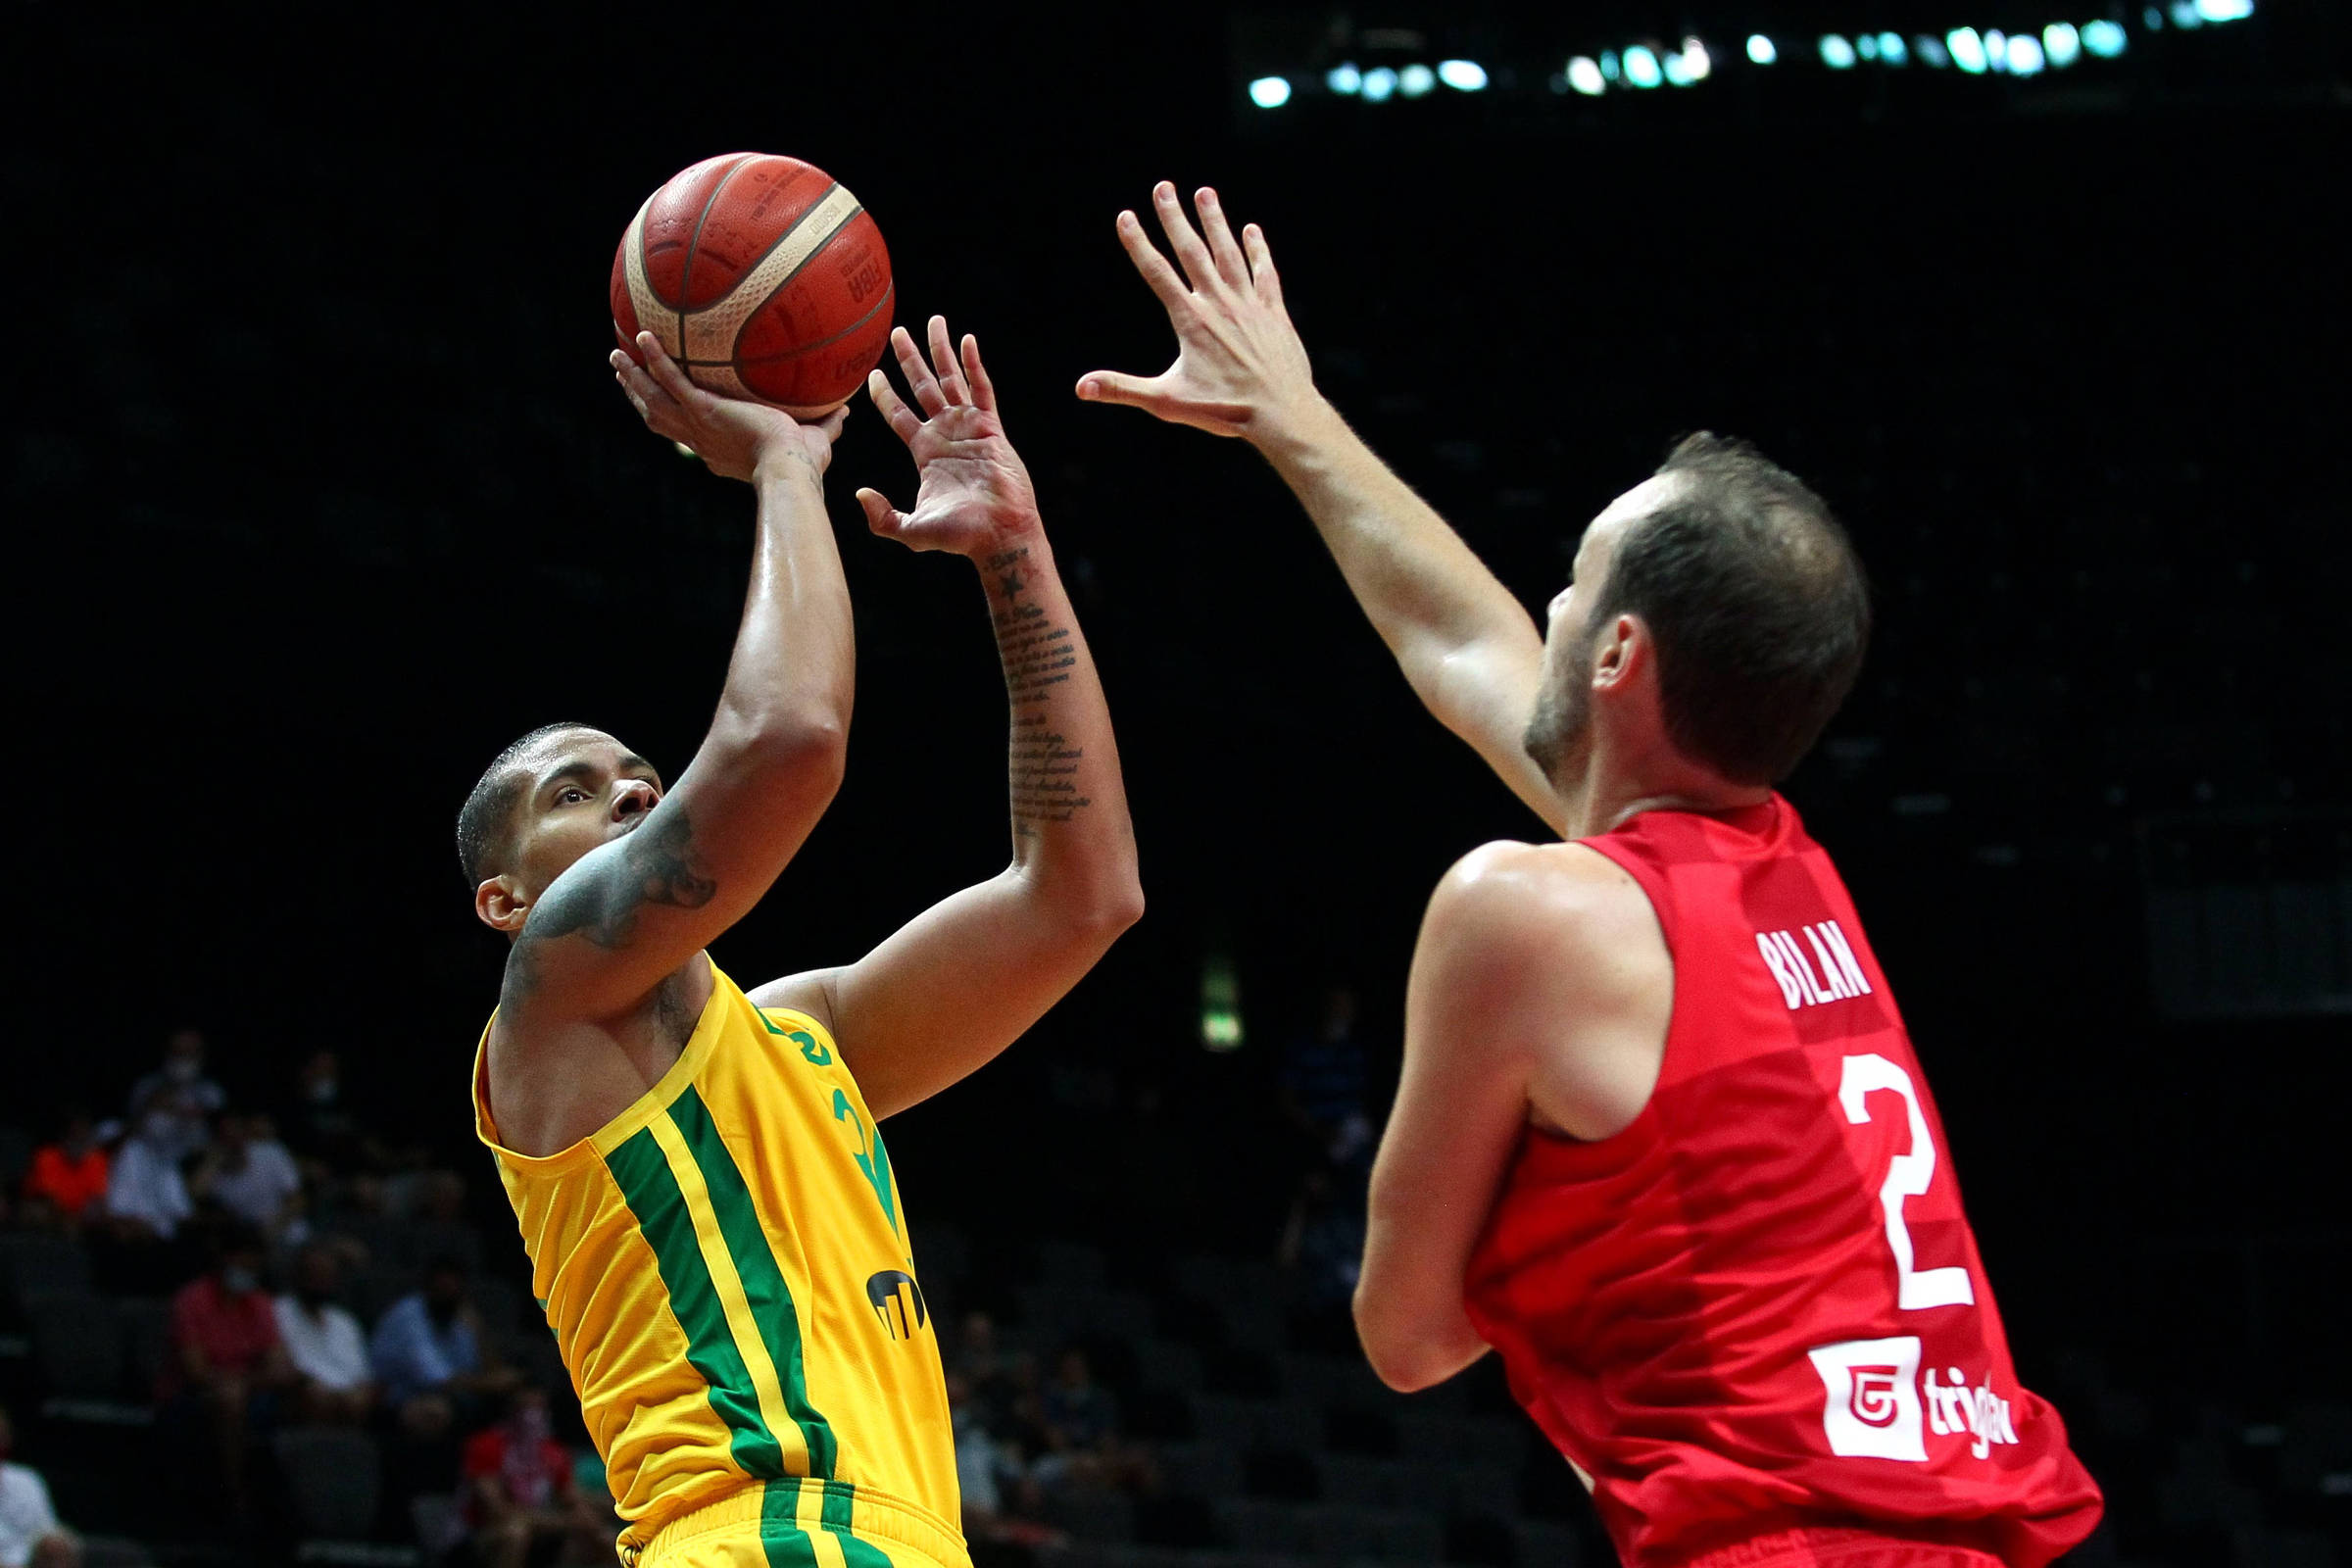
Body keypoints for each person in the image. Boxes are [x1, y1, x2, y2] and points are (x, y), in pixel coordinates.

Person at [1082, 184, 2103, 1568]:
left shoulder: (1528, 909)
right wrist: (1289, 415)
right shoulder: (1784, 870)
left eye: (1573, 579)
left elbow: (1408, 1330)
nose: (1546, 606)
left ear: (1618, 658)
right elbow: (1465, 652)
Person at [461, 319, 1141, 1568]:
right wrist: (785, 464)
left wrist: (1015, 552)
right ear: (507, 901)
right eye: (571, 793)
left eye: (637, 774)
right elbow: (788, 738)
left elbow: (1080, 896)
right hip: (752, 1533)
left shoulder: (808, 1035)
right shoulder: (551, 998)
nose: (627, 794)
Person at [163, 1227, 294, 1527]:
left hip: (249, 1390)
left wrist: (245, 1381)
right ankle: (234, 1494)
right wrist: (245, 1381)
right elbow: (196, 1373)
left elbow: (279, 1366)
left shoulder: (259, 1303)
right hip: (188, 1398)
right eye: (243, 1265)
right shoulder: (192, 1300)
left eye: (254, 1267)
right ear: (224, 1261)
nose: (248, 1272)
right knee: (228, 1398)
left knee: (307, 1394)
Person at [462, 1387, 609, 1568]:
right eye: (526, 1409)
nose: (534, 1416)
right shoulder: (486, 1446)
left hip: (544, 1528)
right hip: (484, 1532)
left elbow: (574, 1501)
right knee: (515, 1533)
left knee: (598, 1536)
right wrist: (563, 1522)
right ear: (510, 1413)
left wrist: (589, 1521)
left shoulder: (553, 1451)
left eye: (540, 1409)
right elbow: (498, 1512)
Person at [369, 1257, 514, 1437]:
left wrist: (479, 1333)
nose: (448, 1293)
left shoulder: (457, 1318)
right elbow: (435, 1378)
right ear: (429, 1288)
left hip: (442, 1396)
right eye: (442, 1288)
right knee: (437, 1412)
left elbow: (481, 1369)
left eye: (454, 1289)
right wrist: (490, 1384)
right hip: (394, 1399)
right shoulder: (409, 1315)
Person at [273, 1244, 376, 1425]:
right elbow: (280, 1364)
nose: (320, 1281)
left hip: (348, 1398)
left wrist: (359, 1394)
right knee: (318, 1398)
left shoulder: (345, 1322)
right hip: (303, 1393)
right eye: (314, 1274)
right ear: (299, 1275)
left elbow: (364, 1376)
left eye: (327, 1275)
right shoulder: (278, 1312)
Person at [124, 1029, 225, 1164]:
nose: (182, 1058)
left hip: (195, 1165)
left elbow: (222, 1135)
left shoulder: (211, 1092)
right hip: (149, 1162)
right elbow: (129, 1130)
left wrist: (184, 1111)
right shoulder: (147, 1087)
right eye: (177, 1052)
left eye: (189, 1053)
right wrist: (151, 1105)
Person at [0, 1402, 81, 1568]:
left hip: (29, 1562)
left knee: (57, 1546)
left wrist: (57, 1544)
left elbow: (48, 1533)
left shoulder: (27, 1480)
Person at [200, 1112, 304, 1239]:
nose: (234, 1139)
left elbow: (297, 1199)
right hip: (248, 1242)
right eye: (227, 1136)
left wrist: (271, 1231)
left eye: (237, 1131)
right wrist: (212, 1161)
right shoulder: (214, 1177)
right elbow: (196, 1196)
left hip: (290, 1231)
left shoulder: (270, 1153)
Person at [20, 1112, 108, 1228]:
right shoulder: (46, 1157)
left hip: (80, 1222)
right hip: (50, 1218)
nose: (79, 1143)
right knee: (37, 1212)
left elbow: (97, 1201)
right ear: (63, 1137)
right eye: (75, 1137)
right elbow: (46, 1199)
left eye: (83, 1138)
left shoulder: (97, 1161)